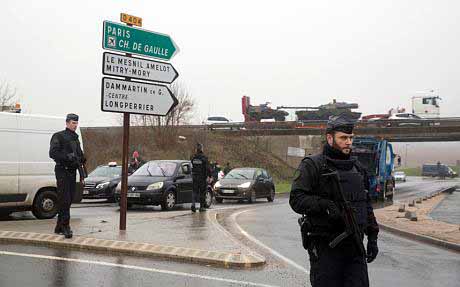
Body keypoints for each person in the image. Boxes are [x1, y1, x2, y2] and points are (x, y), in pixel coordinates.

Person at [289, 114, 379, 287]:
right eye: (343, 138)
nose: (348, 142)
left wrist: (373, 237)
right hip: (326, 247)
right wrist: (325, 206)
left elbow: (365, 205)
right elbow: (296, 199)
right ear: (330, 138)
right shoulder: (313, 165)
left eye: (351, 138)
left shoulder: (357, 168)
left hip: (355, 247)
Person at [49, 113, 86, 239]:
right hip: (62, 170)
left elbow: (80, 155)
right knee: (64, 199)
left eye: (76, 123)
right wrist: (67, 157)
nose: (75, 125)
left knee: (69, 199)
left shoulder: (75, 138)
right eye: (72, 123)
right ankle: (66, 226)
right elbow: (53, 153)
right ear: (67, 123)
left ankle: (59, 226)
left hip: (72, 171)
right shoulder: (58, 136)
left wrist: (81, 158)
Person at [190, 143, 210, 212]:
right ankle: (202, 207)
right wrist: (209, 176)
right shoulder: (204, 157)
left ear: (196, 149)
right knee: (202, 192)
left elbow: (191, 166)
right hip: (202, 178)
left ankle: (193, 205)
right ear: (201, 149)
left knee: (194, 191)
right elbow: (207, 168)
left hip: (194, 177)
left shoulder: (193, 157)